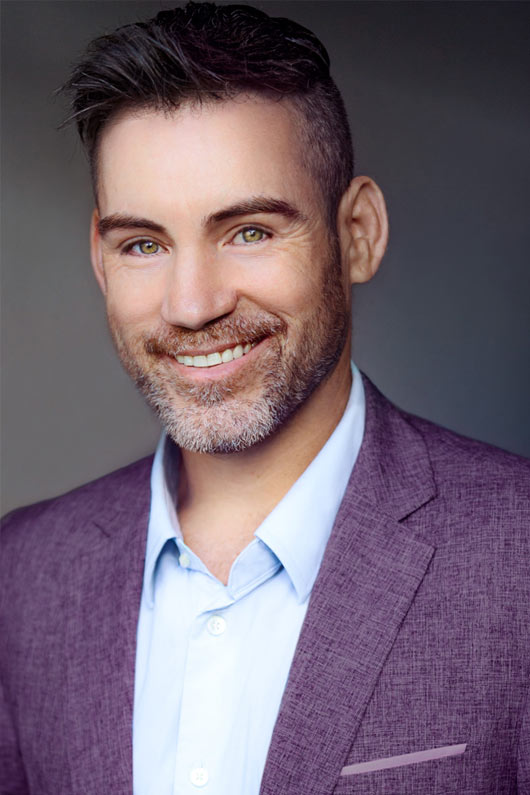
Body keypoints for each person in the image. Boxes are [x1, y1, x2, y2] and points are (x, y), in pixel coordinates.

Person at [1, 2, 528, 793]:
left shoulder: (516, 555)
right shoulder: (22, 576)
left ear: (357, 233)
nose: (191, 304)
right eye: (144, 243)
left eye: (248, 230)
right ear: (101, 260)